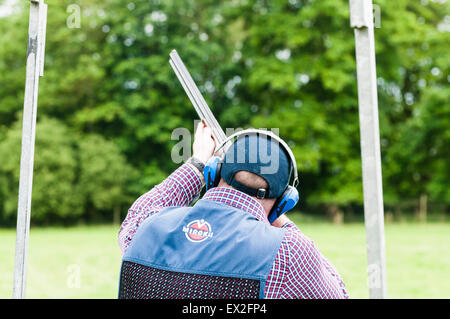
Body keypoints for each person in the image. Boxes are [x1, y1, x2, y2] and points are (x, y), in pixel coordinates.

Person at [118, 121, 349, 299]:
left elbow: (137, 214)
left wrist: (197, 162)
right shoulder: (290, 252)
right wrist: (283, 222)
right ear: (285, 201)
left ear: (214, 173)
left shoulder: (146, 225)